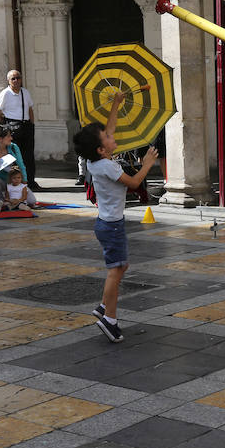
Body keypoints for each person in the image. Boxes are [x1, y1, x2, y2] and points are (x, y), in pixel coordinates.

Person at [73, 91, 158, 343]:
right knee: (115, 270)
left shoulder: (95, 161)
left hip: (107, 224)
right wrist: (147, 163)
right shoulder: (107, 166)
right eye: (108, 138)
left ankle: (103, 307)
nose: (113, 136)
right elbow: (133, 183)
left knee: (120, 266)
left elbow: (107, 130)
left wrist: (117, 105)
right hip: (111, 226)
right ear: (101, 149)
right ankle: (109, 319)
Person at [0, 70, 40, 189]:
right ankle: (14, 182)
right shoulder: (5, 93)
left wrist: (32, 124)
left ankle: (30, 182)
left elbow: (30, 109)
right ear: (8, 81)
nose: (16, 80)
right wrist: (7, 122)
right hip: (12, 127)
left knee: (28, 155)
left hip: (26, 126)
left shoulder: (25, 92)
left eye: (18, 78)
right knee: (12, 155)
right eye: (13, 78)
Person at [0, 124, 35, 207]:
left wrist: (24, 181)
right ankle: (2, 201)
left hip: (14, 181)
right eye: (8, 136)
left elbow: (21, 165)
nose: (11, 138)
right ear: (0, 139)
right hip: (1, 182)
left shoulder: (14, 147)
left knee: (32, 201)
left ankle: (14, 201)